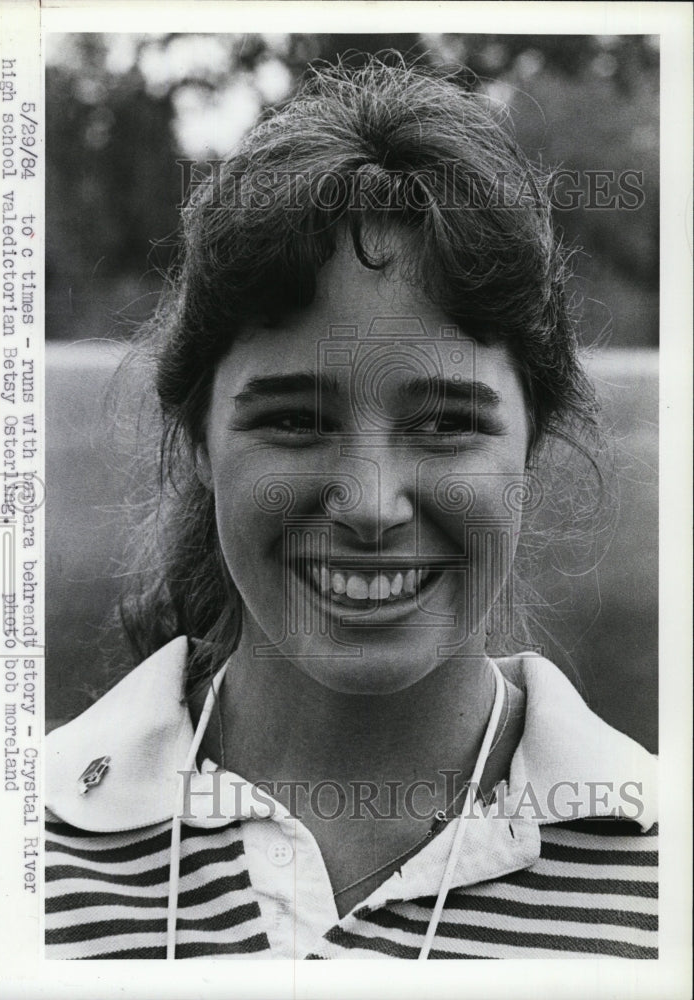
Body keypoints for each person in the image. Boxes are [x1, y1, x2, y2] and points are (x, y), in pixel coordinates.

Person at [45, 58, 657, 960]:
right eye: (295, 420)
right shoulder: (5, 846)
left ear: (532, 442)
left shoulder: (657, 880)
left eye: (447, 423)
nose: (371, 506)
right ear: (202, 442)